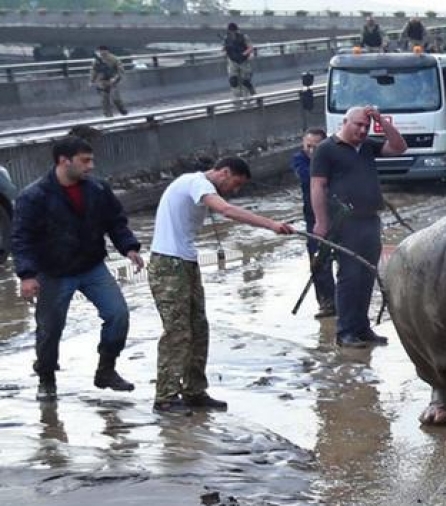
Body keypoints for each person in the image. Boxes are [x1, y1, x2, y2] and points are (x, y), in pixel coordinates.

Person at [148, 157, 295, 414]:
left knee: (198, 328)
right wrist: (270, 224)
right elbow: (226, 210)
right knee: (177, 331)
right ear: (224, 173)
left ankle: (194, 391)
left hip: (186, 263)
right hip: (168, 266)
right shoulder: (195, 182)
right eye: (235, 184)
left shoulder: (197, 185)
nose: (234, 191)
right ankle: (165, 397)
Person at [11, 136, 143, 402]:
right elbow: (21, 238)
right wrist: (27, 275)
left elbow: (115, 222)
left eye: (91, 160)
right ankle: (47, 378)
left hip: (92, 265)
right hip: (54, 271)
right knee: (49, 329)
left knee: (118, 315)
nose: (91, 166)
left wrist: (129, 247)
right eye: (85, 161)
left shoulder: (98, 189)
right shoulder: (34, 196)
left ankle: (106, 370)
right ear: (64, 161)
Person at [311, 106, 407, 348]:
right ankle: (345, 332)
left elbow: (398, 147)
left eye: (366, 126)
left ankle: (362, 328)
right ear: (345, 122)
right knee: (349, 276)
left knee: (367, 274)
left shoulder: (367, 147)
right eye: (358, 125)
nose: (362, 130)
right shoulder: (326, 150)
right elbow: (318, 186)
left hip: (370, 219)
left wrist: (380, 121)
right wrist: (321, 221)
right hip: (344, 222)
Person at [292, 128, 337, 319]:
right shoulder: (299, 160)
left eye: (316, 147)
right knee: (318, 260)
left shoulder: (335, 157)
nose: (311, 151)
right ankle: (326, 302)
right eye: (308, 146)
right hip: (313, 217)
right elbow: (308, 178)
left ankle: (346, 300)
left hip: (339, 213)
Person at [90, 45, 128, 118]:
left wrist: (115, 78)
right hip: (102, 81)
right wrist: (92, 80)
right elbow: (94, 70)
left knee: (116, 98)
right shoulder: (97, 60)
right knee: (104, 100)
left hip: (112, 81)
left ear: (107, 51)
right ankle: (108, 116)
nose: (102, 52)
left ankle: (122, 110)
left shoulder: (114, 59)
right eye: (100, 51)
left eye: (103, 51)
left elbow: (120, 70)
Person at [223, 22, 255, 100]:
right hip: (233, 62)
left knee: (245, 81)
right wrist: (226, 50)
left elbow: (250, 48)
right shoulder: (227, 38)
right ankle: (237, 98)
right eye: (231, 31)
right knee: (233, 81)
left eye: (234, 31)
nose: (232, 33)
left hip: (243, 61)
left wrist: (243, 54)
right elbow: (224, 49)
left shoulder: (243, 37)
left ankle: (249, 96)